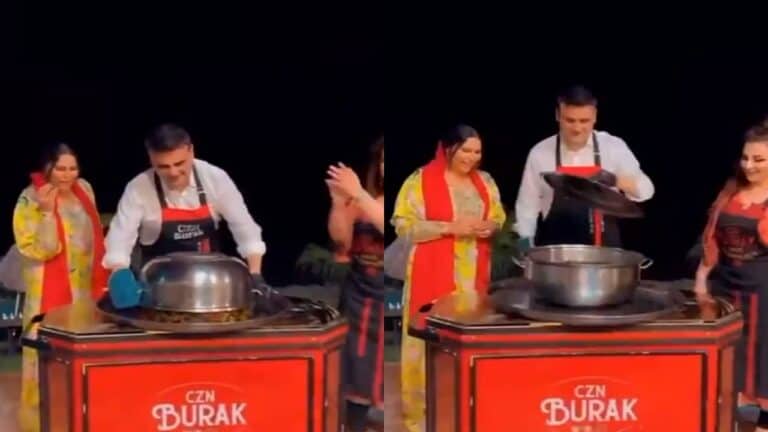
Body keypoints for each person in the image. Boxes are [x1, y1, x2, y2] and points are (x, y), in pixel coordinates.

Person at [391, 125, 506, 432]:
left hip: (473, 276)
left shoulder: (485, 181)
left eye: (477, 151)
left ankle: (464, 413)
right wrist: (449, 228)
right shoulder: (420, 180)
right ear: (448, 148)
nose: (472, 157)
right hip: (432, 273)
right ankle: (420, 420)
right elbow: (403, 225)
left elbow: (498, 216)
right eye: (465, 150)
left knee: (467, 341)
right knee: (426, 338)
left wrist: (491, 227)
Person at [104, 123, 269, 308]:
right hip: (157, 287)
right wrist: (119, 271)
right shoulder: (138, 188)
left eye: (179, 163)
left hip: (208, 285)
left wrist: (255, 274)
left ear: (191, 151)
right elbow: (121, 236)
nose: (173, 173)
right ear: (150, 158)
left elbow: (244, 227)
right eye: (163, 167)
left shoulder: (215, 178)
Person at [13, 143, 108, 432]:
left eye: (73, 168)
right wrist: (46, 212)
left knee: (81, 355)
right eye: (61, 169)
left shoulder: (84, 190)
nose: (68, 175)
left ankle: (80, 420)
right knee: (44, 356)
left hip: (84, 291)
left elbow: (94, 236)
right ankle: (39, 424)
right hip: (48, 292)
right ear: (47, 168)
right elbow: (43, 249)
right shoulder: (30, 199)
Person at [514, 85, 654, 250]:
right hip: (557, 252)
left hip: (605, 251)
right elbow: (527, 207)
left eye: (584, 121)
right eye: (570, 120)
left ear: (595, 116)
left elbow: (646, 191)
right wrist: (524, 245)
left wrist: (615, 180)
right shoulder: (540, 153)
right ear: (558, 115)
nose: (577, 128)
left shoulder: (613, 147)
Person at [694, 119, 768, 430]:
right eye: (745, 157)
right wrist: (701, 280)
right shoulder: (732, 189)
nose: (749, 165)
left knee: (761, 362)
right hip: (727, 286)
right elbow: (711, 236)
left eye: (758, 159)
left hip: (764, 292)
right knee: (730, 358)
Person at [326, 136, 385, 432]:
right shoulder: (363, 199)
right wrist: (339, 204)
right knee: (356, 363)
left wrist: (359, 194)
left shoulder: (410, 198)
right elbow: (342, 241)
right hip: (360, 291)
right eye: (383, 160)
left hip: (393, 290)